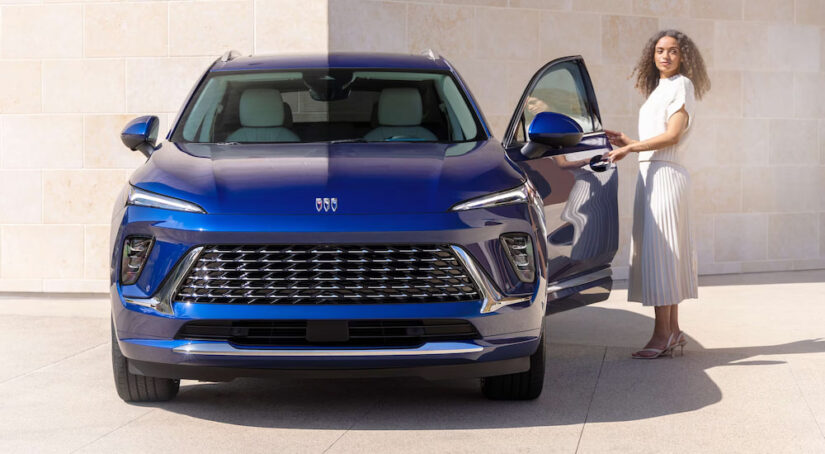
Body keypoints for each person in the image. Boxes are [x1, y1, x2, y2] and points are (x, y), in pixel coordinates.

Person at [603, 29, 710, 359]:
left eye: (673, 51)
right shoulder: (659, 90)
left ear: (683, 57)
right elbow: (656, 137)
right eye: (660, 50)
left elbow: (673, 136)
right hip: (652, 175)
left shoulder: (682, 86)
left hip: (666, 177)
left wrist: (633, 147)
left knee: (662, 254)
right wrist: (628, 140)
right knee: (661, 255)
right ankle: (672, 331)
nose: (665, 55)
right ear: (652, 55)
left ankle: (662, 334)